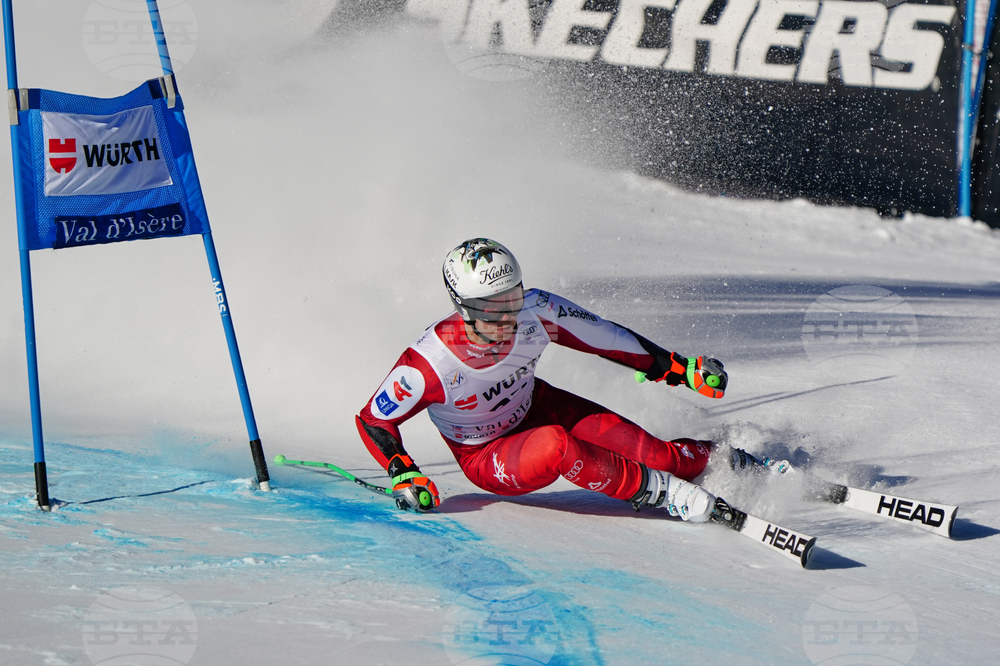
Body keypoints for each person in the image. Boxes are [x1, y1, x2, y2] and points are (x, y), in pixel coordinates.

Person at [355, 238, 733, 522]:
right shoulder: (430, 363)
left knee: (660, 456)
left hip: (539, 405)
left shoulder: (537, 309)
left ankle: (732, 459)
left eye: (512, 298)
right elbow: (373, 418)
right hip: (486, 453)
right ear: (463, 308)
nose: (507, 318)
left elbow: (607, 339)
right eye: (491, 308)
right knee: (555, 446)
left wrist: (677, 368)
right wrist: (403, 471)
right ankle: (662, 493)